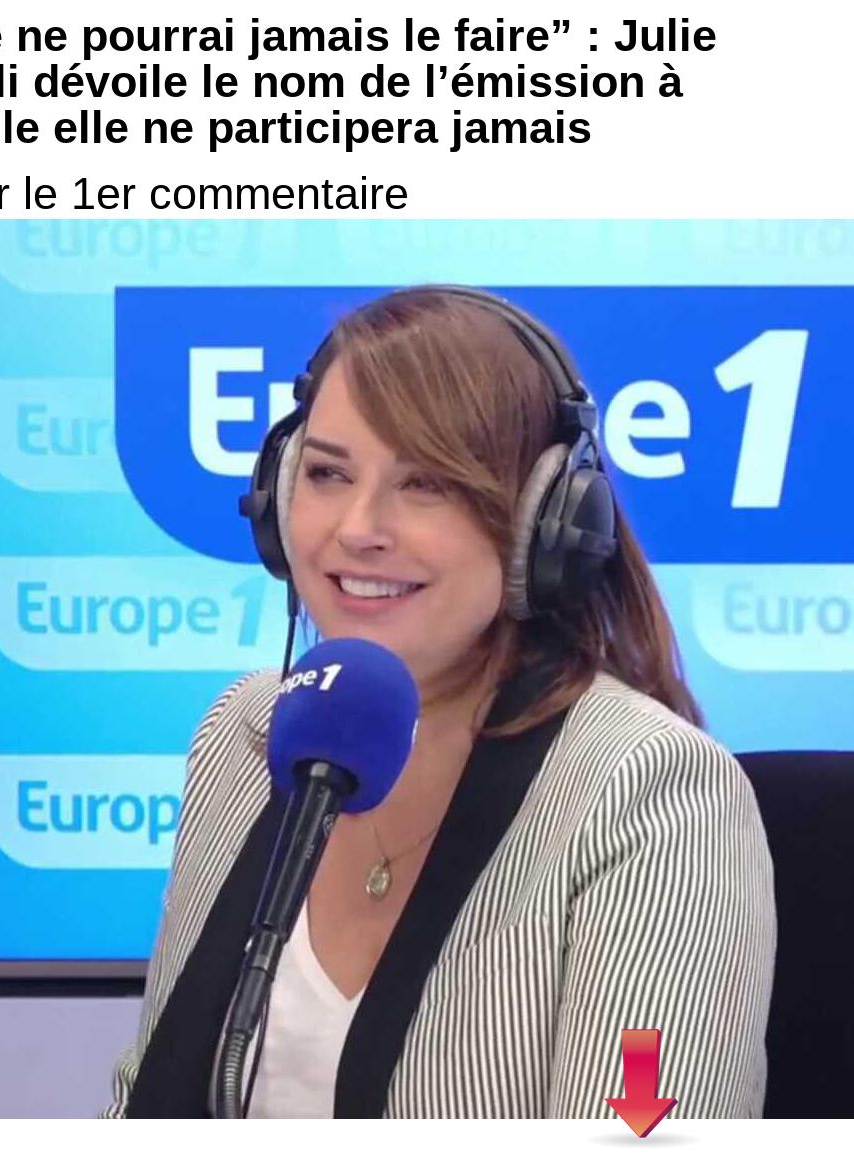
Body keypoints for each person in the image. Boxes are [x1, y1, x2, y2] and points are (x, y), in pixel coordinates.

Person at [103, 285, 776, 1119]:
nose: (358, 528)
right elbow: (143, 1099)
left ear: (543, 523)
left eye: (427, 484)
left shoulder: (648, 791)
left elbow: (642, 1133)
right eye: (327, 472)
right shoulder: (247, 732)